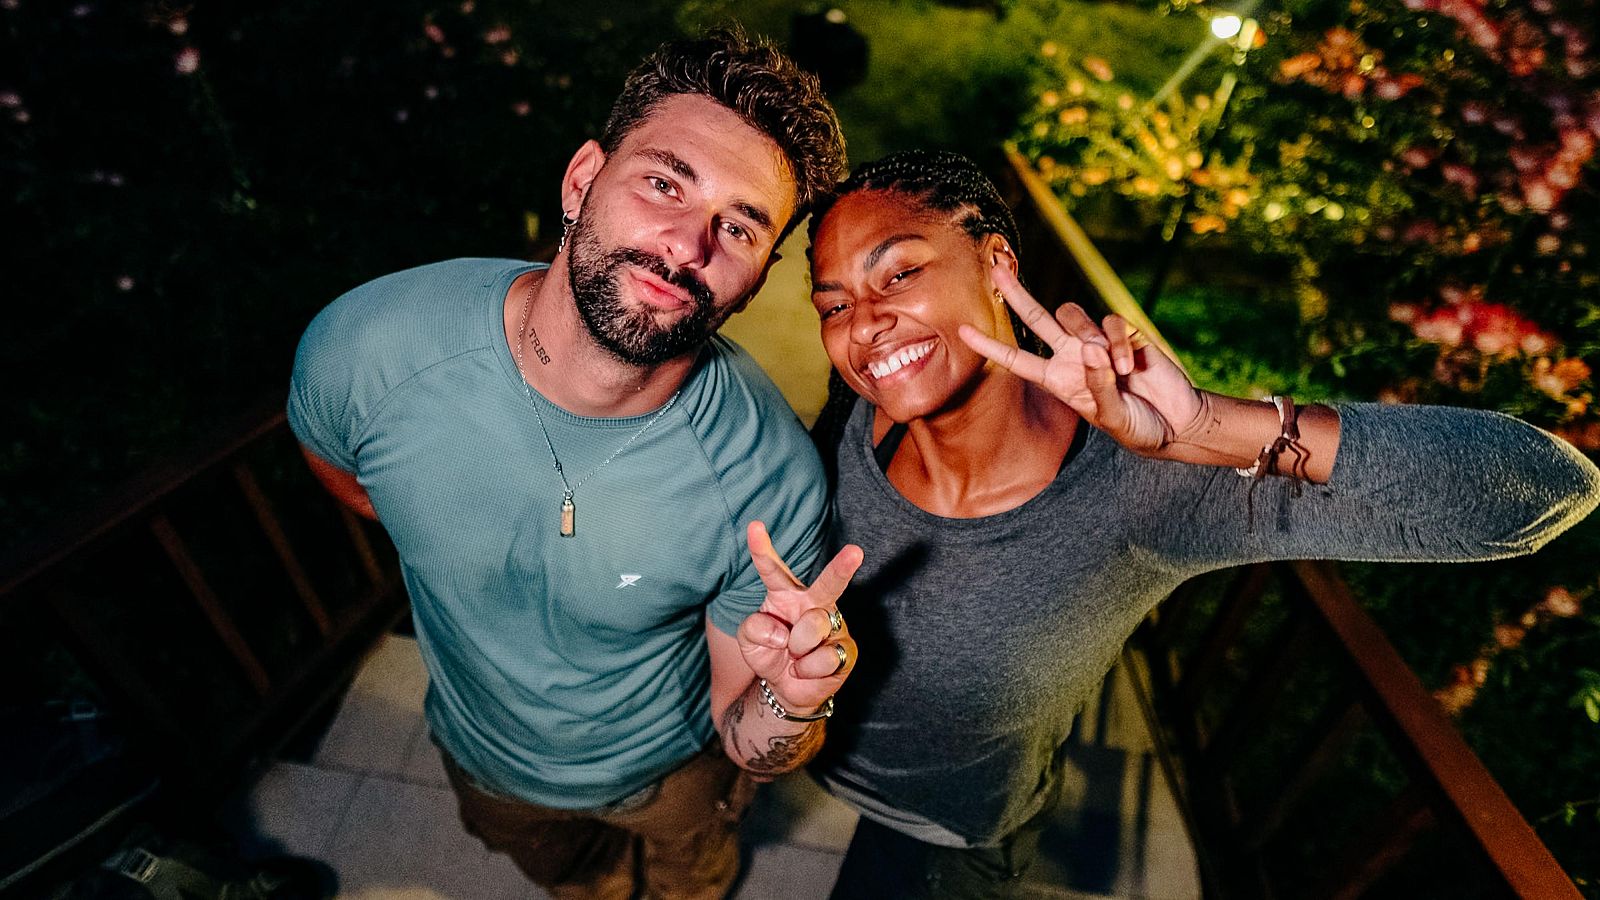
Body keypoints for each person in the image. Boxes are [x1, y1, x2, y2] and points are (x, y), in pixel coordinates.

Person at [801, 149, 1600, 898]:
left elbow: (1542, 492)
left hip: (949, 835)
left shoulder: (1144, 484)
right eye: (833, 305)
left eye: (898, 272)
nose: (863, 325)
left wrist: (1208, 427)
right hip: (797, 762)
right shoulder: (845, 427)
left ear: (999, 263)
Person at [287, 31, 863, 900]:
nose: (685, 246)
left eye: (737, 226)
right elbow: (350, 480)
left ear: (757, 278)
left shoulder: (767, 476)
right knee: (580, 886)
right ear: (581, 179)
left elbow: (744, 734)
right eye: (665, 183)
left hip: (670, 777)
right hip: (483, 760)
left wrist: (794, 697)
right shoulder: (367, 349)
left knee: (692, 882)